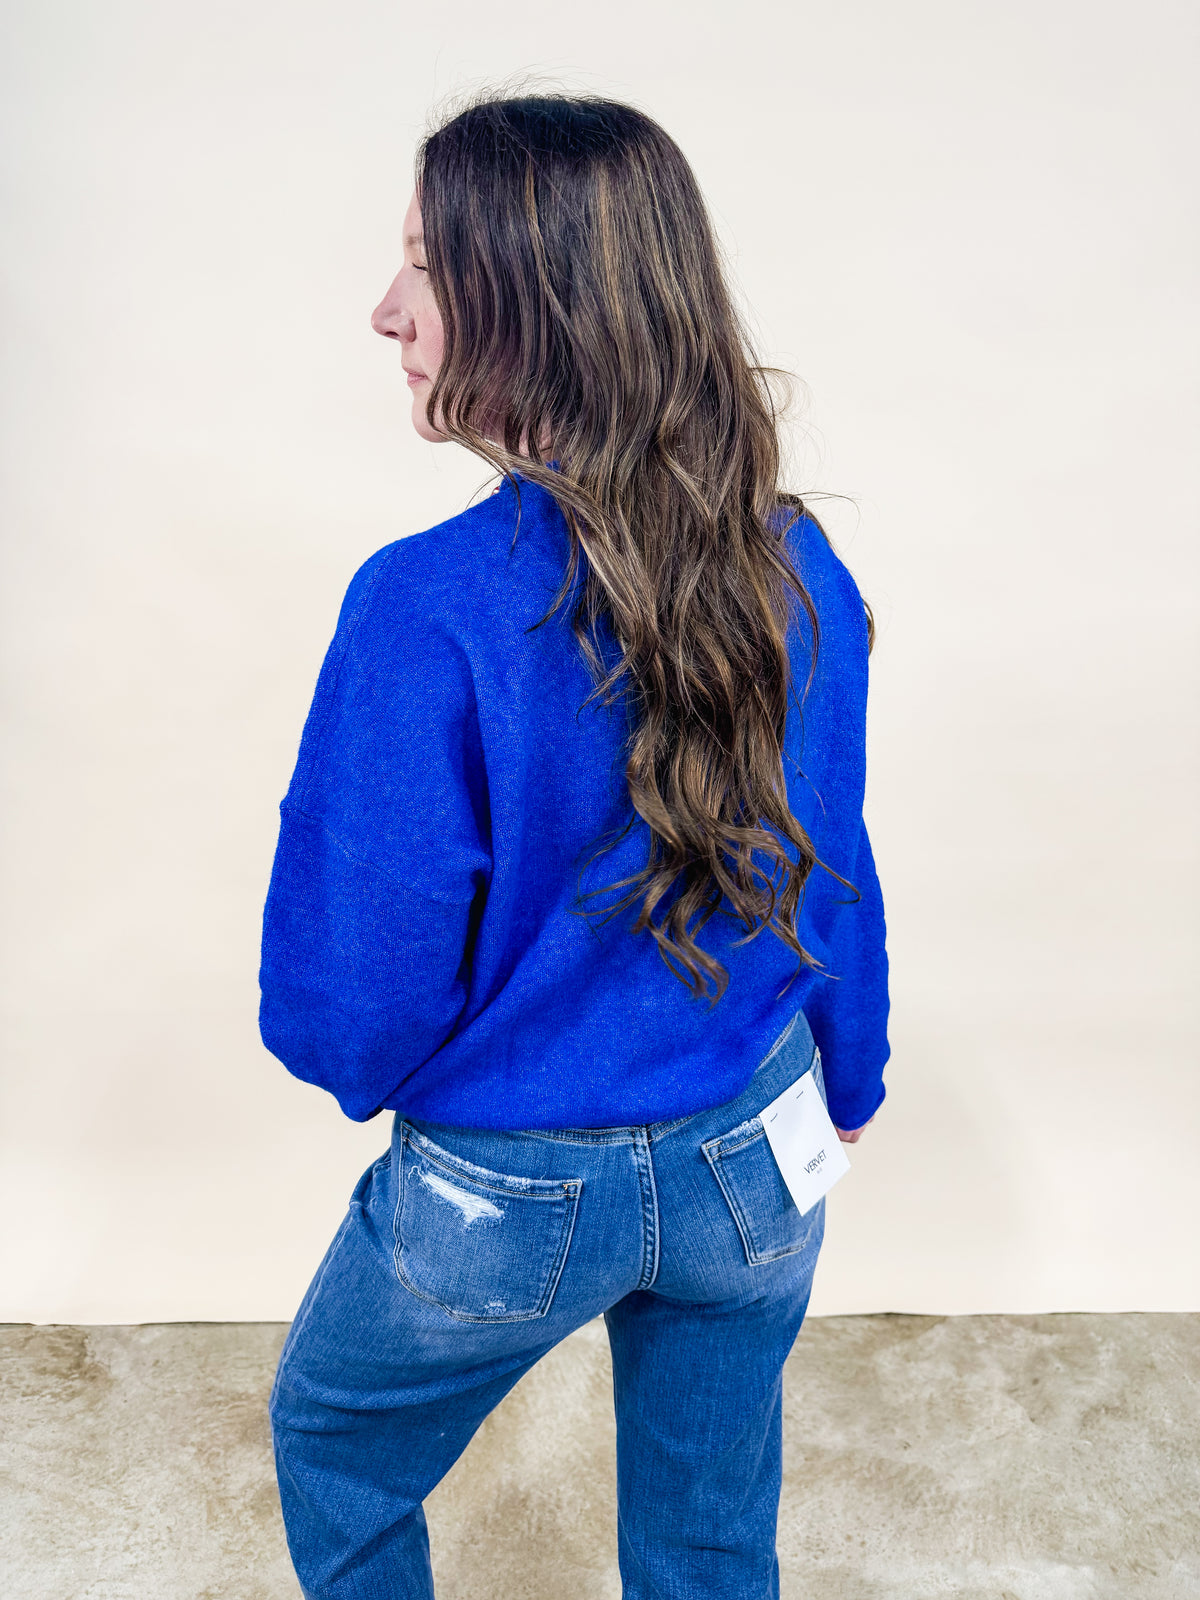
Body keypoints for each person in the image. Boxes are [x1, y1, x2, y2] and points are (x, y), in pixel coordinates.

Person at [260, 91, 889, 1600]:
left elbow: (360, 974)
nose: (385, 310)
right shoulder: (798, 566)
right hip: (756, 1151)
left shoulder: (424, 604)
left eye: (425, 262)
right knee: (711, 1534)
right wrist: (850, 1074)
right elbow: (836, 861)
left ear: (533, 307)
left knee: (332, 1433)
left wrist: (418, 1095)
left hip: (511, 1180)